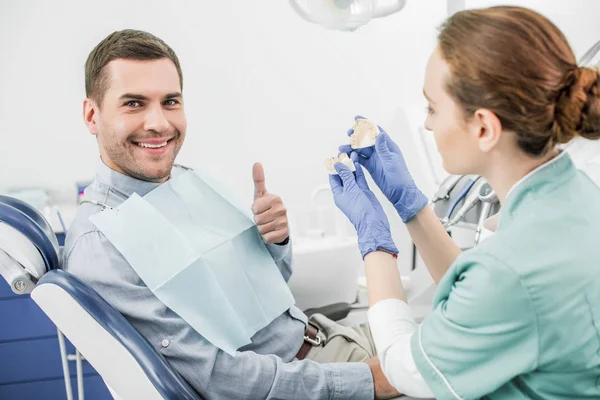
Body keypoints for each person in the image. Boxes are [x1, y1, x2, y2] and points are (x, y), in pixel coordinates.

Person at [63, 29, 400, 399]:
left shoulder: (189, 181)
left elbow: (265, 290)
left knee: (458, 336)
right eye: (134, 103)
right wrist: (370, 381)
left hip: (327, 339)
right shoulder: (102, 245)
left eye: (171, 101)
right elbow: (224, 379)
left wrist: (276, 242)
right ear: (92, 115)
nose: (158, 123)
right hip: (309, 379)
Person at [331, 6, 600, 400]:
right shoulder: (575, 194)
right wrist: (412, 208)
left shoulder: (512, 266)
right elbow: (485, 298)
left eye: (433, 108)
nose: (427, 124)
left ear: (484, 127)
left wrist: (374, 243)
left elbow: (408, 370)